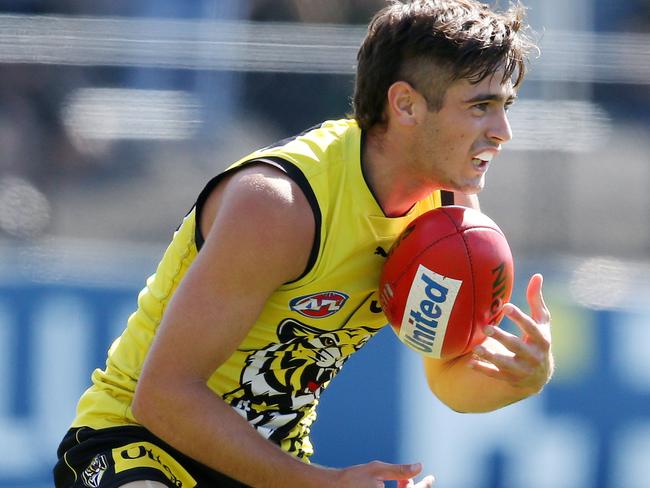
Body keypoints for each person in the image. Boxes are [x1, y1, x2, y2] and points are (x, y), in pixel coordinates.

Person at [53, 0, 553, 486]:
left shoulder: (452, 208)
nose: (503, 131)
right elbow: (162, 398)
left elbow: (449, 377)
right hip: (139, 444)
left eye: (505, 106)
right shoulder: (280, 205)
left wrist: (525, 376)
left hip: (266, 463)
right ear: (405, 105)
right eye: (481, 106)